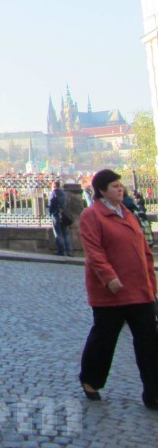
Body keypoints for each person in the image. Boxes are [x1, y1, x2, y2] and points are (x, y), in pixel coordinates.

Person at [78, 169, 158, 408]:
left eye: (120, 185)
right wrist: (109, 277)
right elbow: (94, 251)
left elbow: (144, 251)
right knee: (104, 338)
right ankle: (90, 380)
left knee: (150, 342)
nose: (120, 189)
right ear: (102, 191)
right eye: (114, 186)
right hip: (111, 292)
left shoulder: (127, 214)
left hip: (139, 290)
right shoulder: (92, 216)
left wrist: (151, 283)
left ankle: (153, 393)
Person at [49, 179, 73, 257]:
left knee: (58, 234)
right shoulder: (64, 194)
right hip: (64, 215)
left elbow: (50, 205)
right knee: (66, 234)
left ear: (54, 186)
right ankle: (69, 251)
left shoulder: (53, 193)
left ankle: (61, 251)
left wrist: (50, 214)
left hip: (56, 215)